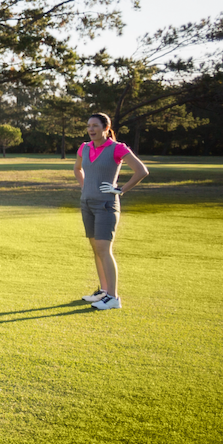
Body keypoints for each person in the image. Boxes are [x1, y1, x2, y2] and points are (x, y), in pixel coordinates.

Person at [75, 112, 149, 310]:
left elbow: (141, 170)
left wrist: (121, 189)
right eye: (88, 126)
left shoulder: (117, 149)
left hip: (106, 205)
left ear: (106, 129)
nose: (91, 129)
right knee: (95, 249)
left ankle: (114, 297)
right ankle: (104, 291)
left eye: (95, 126)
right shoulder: (84, 147)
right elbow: (77, 169)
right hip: (87, 204)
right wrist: (85, 187)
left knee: (104, 249)